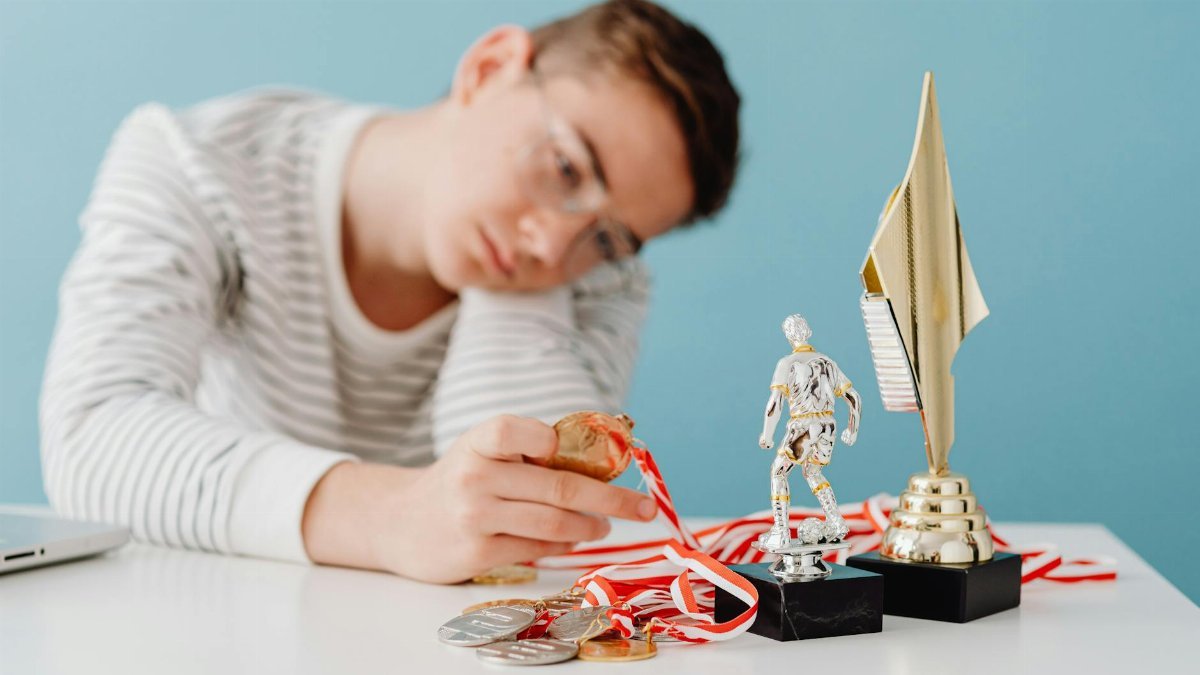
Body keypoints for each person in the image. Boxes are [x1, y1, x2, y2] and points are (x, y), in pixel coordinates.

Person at [39, 0, 740, 583]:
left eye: (609, 234)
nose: (556, 248)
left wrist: (517, 276)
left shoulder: (599, 276)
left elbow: (527, 529)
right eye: (564, 167)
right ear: (490, 68)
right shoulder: (198, 162)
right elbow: (90, 436)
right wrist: (391, 516)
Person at [756, 315, 861, 550]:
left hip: (803, 425)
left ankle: (781, 532)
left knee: (779, 472)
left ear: (789, 336)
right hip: (828, 425)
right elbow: (854, 397)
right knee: (813, 471)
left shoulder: (787, 363)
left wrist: (767, 435)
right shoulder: (827, 362)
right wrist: (851, 429)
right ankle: (835, 520)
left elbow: (775, 403)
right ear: (809, 332)